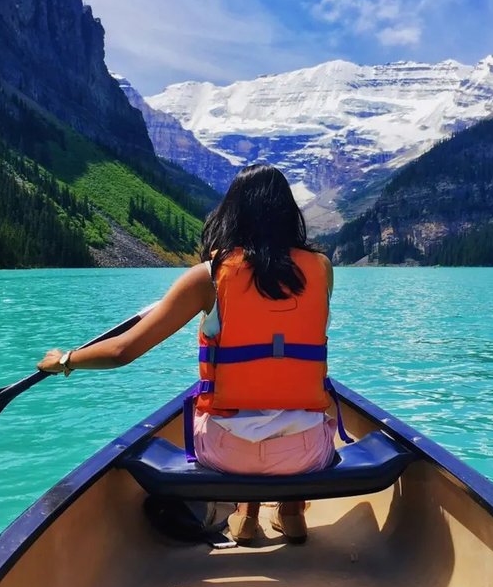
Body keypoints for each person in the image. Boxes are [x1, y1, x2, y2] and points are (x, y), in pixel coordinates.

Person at [37, 164, 336, 546]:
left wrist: (64, 360)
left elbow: (123, 350)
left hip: (229, 453)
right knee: (306, 411)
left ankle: (245, 514)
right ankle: (292, 513)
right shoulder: (321, 269)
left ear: (232, 211)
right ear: (288, 213)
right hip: (305, 453)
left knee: (227, 417)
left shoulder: (208, 276)